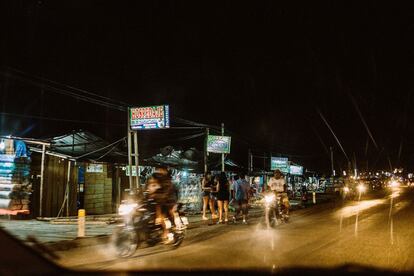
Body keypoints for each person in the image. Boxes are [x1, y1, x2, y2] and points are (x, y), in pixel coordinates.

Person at [146, 167, 179, 243]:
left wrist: (155, 195)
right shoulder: (155, 179)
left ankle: (167, 232)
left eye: (160, 170)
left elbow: (166, 194)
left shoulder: (168, 182)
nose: (158, 171)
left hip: (168, 202)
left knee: (162, 217)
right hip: (159, 202)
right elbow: (149, 188)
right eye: (158, 170)